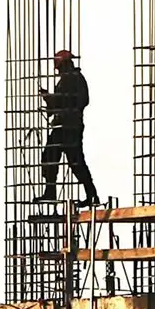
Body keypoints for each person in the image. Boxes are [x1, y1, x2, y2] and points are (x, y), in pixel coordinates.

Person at [37, 50, 100, 205]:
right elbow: (60, 103)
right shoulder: (66, 80)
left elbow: (81, 101)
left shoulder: (75, 79)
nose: (58, 71)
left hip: (69, 128)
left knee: (75, 162)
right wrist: (50, 100)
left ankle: (91, 195)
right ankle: (51, 192)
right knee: (51, 158)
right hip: (62, 126)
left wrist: (58, 103)